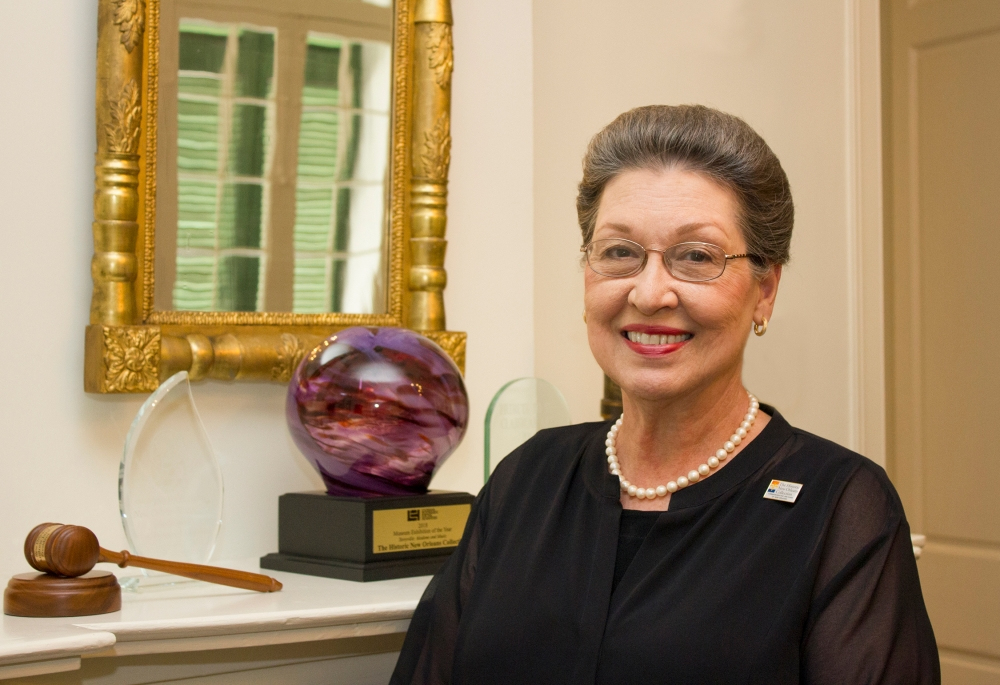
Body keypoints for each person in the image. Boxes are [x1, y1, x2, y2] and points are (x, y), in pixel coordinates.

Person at [390, 105, 939, 684]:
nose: (650, 293)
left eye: (697, 257)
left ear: (765, 291)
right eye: (620, 252)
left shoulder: (841, 506)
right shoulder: (527, 478)